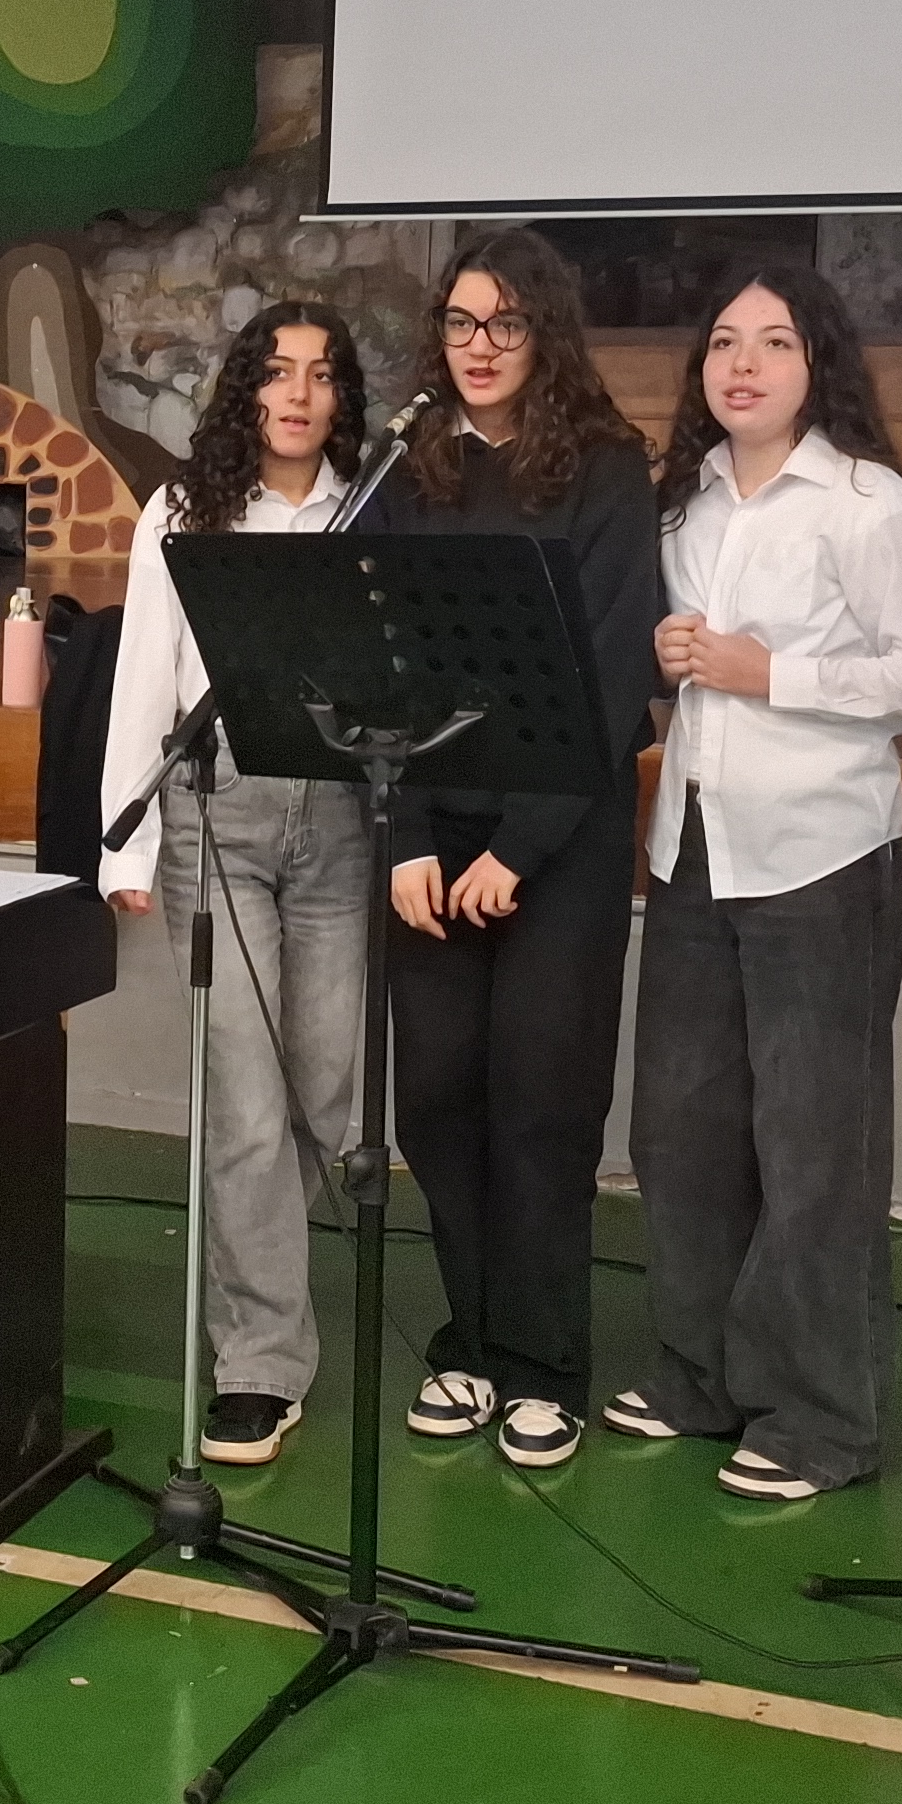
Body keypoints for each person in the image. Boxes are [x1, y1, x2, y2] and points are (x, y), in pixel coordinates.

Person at [613, 264, 902, 1501]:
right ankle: (701, 1374)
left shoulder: (868, 503)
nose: (743, 364)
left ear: (819, 364)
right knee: (680, 1131)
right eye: (724, 341)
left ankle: (822, 1417)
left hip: (824, 857)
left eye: (773, 342)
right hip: (694, 845)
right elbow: (682, 667)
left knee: (816, 1148)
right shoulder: (683, 504)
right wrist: (672, 656)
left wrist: (776, 673)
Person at [367, 229, 661, 1471]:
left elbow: (615, 673)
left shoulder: (605, 470)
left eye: (504, 323)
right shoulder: (408, 468)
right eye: (459, 322)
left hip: (562, 837)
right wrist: (405, 836)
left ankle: (546, 1364)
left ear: (546, 333)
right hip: (431, 837)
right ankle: (473, 1342)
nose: (477, 346)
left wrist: (522, 849)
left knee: (542, 1101)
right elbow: (374, 659)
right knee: (437, 1098)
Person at [96, 301, 372, 1466]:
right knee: (247, 1105)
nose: (298, 395)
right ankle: (259, 1357)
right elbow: (143, 674)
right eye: (277, 372)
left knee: (325, 1091)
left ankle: (262, 1280)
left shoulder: (371, 507)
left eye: (322, 374)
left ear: (344, 397)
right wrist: (123, 845)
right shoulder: (183, 510)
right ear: (245, 389)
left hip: (344, 816)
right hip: (219, 813)